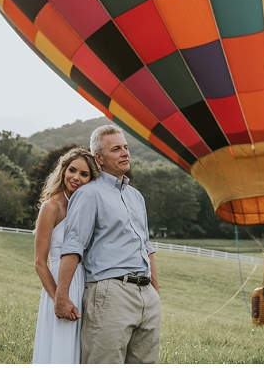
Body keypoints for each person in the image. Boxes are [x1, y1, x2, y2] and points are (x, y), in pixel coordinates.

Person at [54, 124, 161, 364]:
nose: (125, 153)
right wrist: (61, 295)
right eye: (116, 149)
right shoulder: (89, 194)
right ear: (99, 158)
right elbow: (73, 246)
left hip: (146, 297)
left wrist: (155, 291)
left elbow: (146, 246)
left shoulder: (136, 196)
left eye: (126, 147)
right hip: (111, 293)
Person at [32, 147, 98, 363]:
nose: (76, 178)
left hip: (86, 282)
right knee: (60, 346)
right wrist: (58, 298)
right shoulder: (51, 207)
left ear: (91, 178)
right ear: (63, 171)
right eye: (72, 170)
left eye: (84, 174)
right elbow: (40, 262)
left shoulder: (89, 208)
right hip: (61, 283)